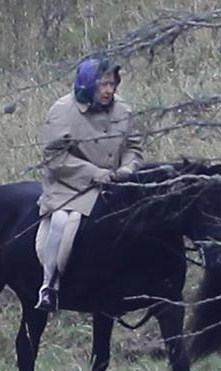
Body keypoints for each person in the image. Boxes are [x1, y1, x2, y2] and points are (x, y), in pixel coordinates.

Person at [35, 58, 143, 311]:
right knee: (63, 223)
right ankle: (50, 285)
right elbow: (54, 157)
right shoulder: (62, 110)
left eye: (112, 84)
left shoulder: (123, 110)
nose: (109, 90)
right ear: (87, 84)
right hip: (70, 186)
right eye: (103, 84)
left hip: (117, 183)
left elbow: (133, 147)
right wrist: (94, 173)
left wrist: (128, 168)